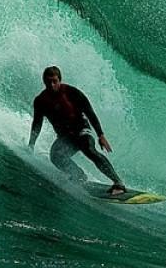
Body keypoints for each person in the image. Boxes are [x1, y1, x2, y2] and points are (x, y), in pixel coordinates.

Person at [28, 65, 126, 195]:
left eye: (54, 81)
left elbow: (90, 113)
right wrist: (31, 144)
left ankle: (118, 182)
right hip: (66, 137)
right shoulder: (40, 101)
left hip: (82, 129)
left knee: (89, 149)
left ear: (60, 80)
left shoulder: (72, 93)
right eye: (48, 82)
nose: (51, 85)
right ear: (44, 81)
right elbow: (37, 124)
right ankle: (79, 176)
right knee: (56, 156)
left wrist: (100, 135)